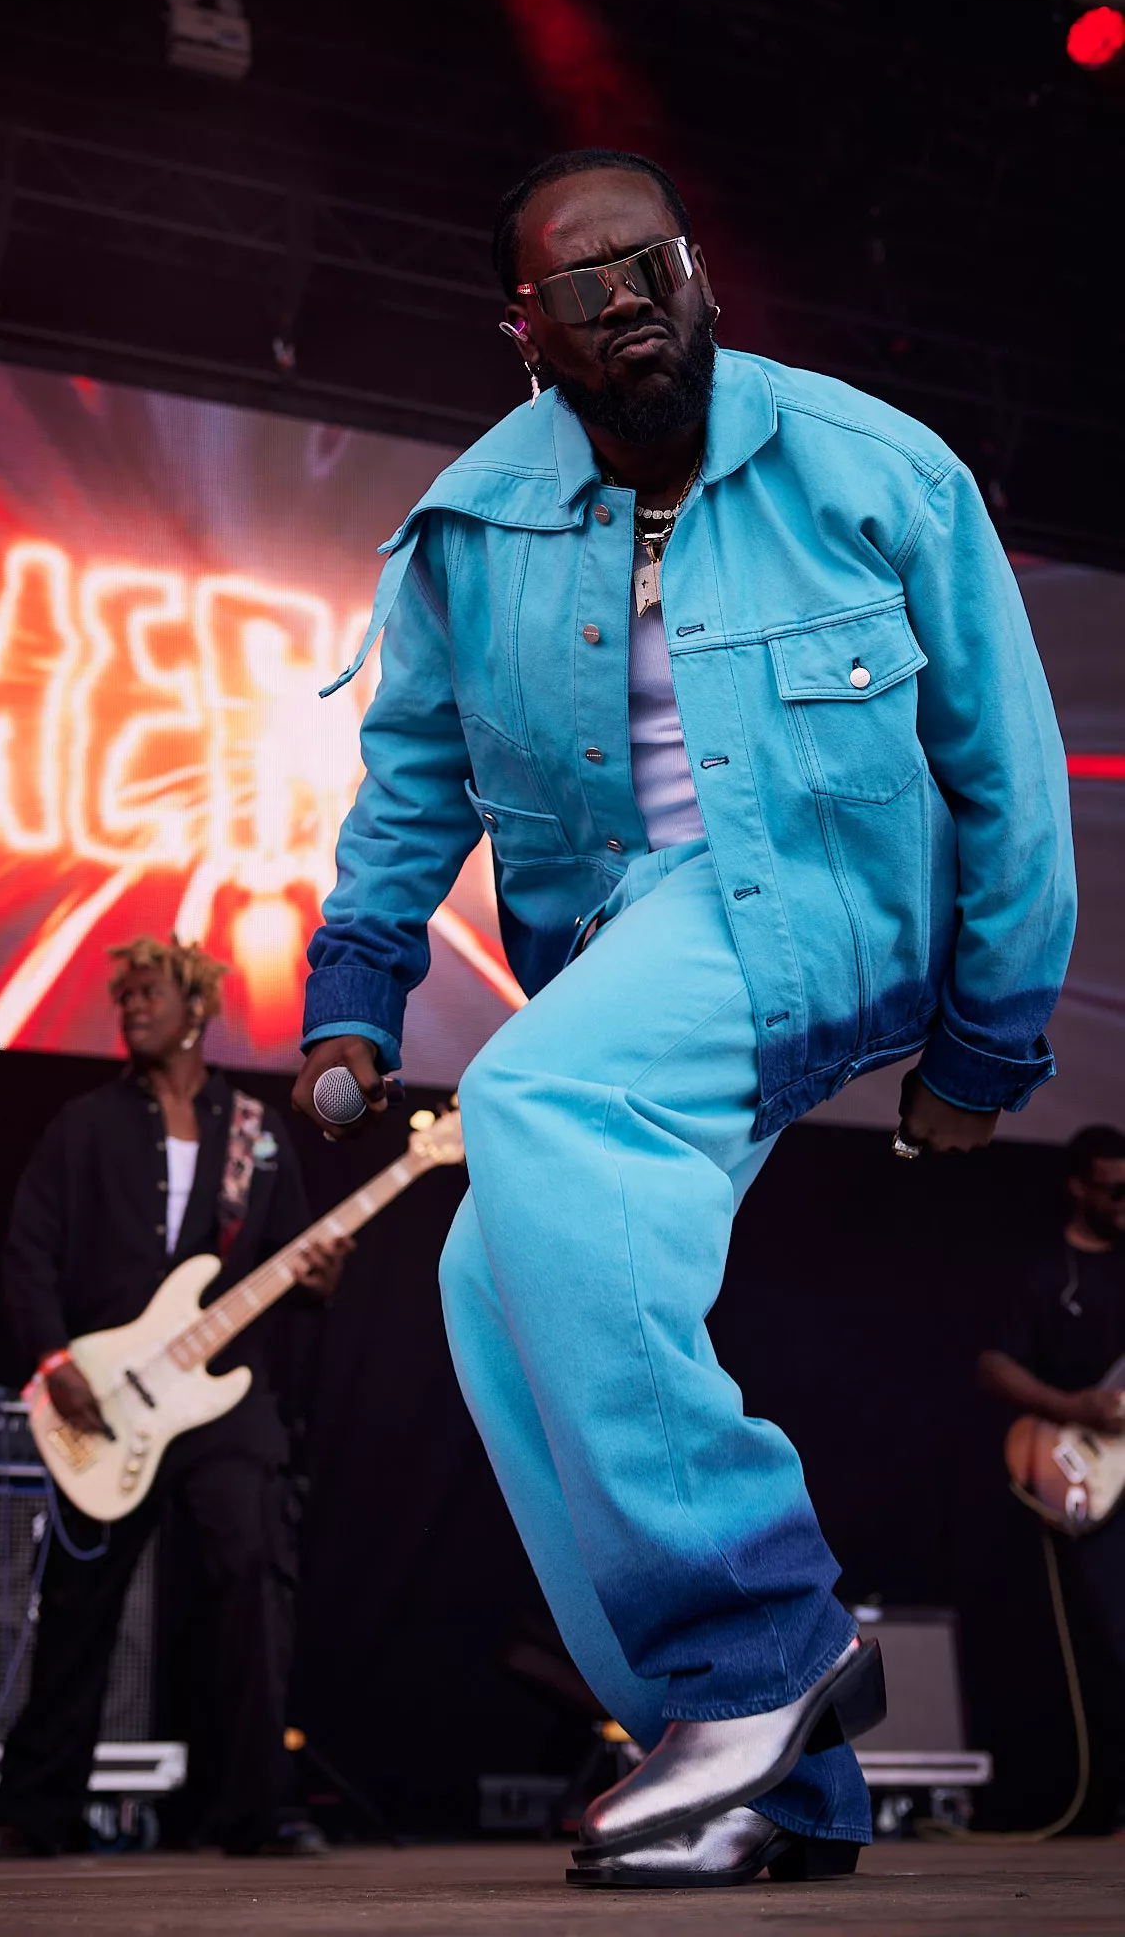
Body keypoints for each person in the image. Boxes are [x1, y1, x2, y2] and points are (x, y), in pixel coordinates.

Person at [291, 147, 1076, 1888]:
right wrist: (355, 993)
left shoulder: (873, 468)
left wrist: (986, 1042)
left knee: (533, 1104)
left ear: (699, 272)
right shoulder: (473, 523)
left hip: (819, 902)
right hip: (625, 941)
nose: (631, 300)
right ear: (526, 331)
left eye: (654, 263)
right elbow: (410, 779)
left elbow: (1008, 769)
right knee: (493, 1271)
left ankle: (757, 1645)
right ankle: (748, 1779)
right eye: (583, 285)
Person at [0, 935, 348, 1856]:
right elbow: (28, 1252)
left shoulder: (255, 1132)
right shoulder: (82, 1126)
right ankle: (37, 1810)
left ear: (196, 1009)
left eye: (150, 992)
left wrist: (317, 1276)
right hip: (105, 1396)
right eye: (125, 996)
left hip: (222, 1399)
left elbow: (292, 1261)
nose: (133, 1007)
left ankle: (256, 1809)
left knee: (255, 1580)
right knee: (80, 1604)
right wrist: (54, 1362)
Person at [979, 1123, 1125, 1831]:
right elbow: (994, 1365)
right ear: (1077, 1186)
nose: (1123, 1202)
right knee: (1107, 1640)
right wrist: (1076, 1408)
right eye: (1112, 1189)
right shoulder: (1048, 1274)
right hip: (1087, 1473)